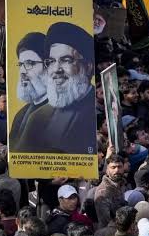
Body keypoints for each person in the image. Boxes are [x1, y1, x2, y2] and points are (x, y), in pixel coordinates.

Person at [12, 22, 96, 153]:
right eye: (51, 61)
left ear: (88, 66)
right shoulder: (39, 117)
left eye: (66, 60)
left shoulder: (99, 108)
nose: (56, 69)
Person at [9, 32, 48, 150]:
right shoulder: (20, 114)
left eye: (30, 63)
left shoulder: (62, 112)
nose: (23, 71)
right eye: (21, 64)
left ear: (48, 65)